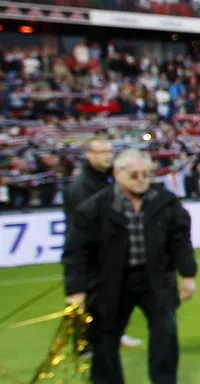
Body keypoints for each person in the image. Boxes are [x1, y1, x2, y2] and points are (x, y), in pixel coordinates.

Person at [63, 149, 197, 384]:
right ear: (117, 174)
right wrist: (76, 289)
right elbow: (76, 252)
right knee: (105, 339)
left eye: (146, 174)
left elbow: (180, 240)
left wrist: (187, 274)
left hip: (156, 278)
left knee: (165, 332)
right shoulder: (94, 208)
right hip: (110, 281)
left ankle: (164, 380)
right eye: (134, 175)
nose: (141, 179)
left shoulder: (165, 201)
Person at [62, 138, 143, 350]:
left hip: (113, 251)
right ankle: (84, 345)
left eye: (109, 152)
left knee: (117, 297)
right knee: (91, 299)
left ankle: (115, 334)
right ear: (89, 155)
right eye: (102, 152)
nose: (108, 156)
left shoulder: (108, 180)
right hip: (94, 253)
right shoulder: (81, 186)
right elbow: (82, 225)